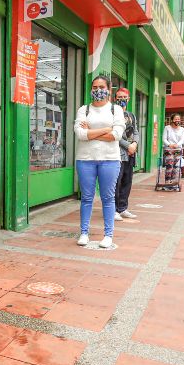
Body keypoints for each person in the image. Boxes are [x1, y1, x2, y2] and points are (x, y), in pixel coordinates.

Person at [71, 75, 124, 248]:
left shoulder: (116, 110)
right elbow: (80, 134)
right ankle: (84, 233)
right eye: (94, 87)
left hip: (109, 160)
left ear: (109, 89)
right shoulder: (83, 110)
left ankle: (108, 235)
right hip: (85, 160)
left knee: (107, 198)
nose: (98, 90)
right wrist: (106, 129)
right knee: (86, 198)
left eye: (101, 87)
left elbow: (116, 135)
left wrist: (91, 132)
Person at [113, 87, 138, 220]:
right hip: (118, 153)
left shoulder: (131, 115)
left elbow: (136, 132)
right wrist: (128, 145)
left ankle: (123, 208)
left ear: (128, 99)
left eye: (124, 97)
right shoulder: (112, 114)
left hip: (131, 153)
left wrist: (134, 144)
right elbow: (115, 135)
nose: (122, 100)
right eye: (119, 97)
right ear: (115, 99)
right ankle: (114, 210)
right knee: (116, 182)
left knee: (127, 181)